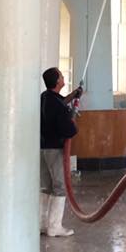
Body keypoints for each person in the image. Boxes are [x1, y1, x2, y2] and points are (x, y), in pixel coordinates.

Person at [40, 67, 82, 238]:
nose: (63, 77)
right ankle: (55, 226)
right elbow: (69, 130)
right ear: (57, 81)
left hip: (43, 148)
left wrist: (73, 95)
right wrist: (73, 121)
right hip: (55, 150)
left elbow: (61, 102)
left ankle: (42, 224)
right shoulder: (58, 106)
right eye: (62, 76)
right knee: (59, 187)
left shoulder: (45, 97)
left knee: (46, 186)